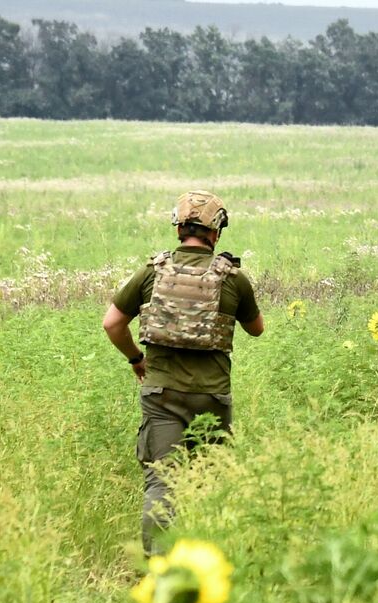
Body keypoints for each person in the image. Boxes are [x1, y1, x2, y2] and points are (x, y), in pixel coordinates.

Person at [101, 190, 265, 554]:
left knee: (162, 484)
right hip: (213, 397)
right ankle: (205, 563)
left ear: (178, 229)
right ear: (216, 233)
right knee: (210, 483)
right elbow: (257, 329)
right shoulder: (233, 278)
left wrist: (136, 359)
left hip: (162, 396)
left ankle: (158, 568)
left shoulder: (151, 272)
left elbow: (112, 324)